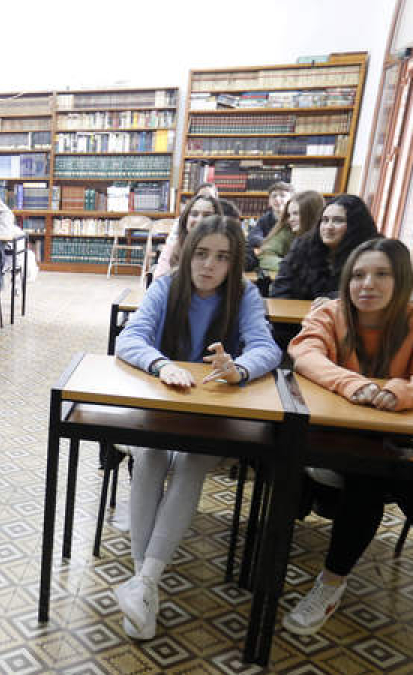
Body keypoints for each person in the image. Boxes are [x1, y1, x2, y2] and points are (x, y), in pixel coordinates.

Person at [283, 237, 413, 635]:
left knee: (375, 468)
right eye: (359, 275)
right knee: (381, 463)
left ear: (400, 280)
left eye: (382, 274)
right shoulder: (329, 314)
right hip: (335, 439)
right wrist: (352, 385)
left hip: (397, 441)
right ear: (346, 280)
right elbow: (305, 353)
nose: (368, 284)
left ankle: (330, 583)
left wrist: (401, 392)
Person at [114, 215, 282, 640]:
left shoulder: (243, 294)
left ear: (234, 263)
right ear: (189, 253)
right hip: (160, 408)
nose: (209, 265)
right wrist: (162, 363)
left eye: (222, 257)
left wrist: (238, 368)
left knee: (189, 461)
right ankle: (143, 583)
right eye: (202, 254)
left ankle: (145, 583)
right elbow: (129, 339)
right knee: (150, 455)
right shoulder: (166, 286)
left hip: (211, 415)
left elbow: (267, 348)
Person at [271, 194, 379, 305]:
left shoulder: (373, 253)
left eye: (338, 221)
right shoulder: (303, 246)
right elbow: (281, 288)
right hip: (296, 317)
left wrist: (332, 300)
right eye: (325, 220)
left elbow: (366, 291)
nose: (328, 227)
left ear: (355, 225)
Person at [152, 194, 220, 279]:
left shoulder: (224, 251)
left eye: (207, 215)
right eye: (194, 214)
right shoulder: (173, 247)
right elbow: (159, 280)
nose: (199, 220)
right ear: (186, 220)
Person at [257, 190, 323, 275]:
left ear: (311, 214)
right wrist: (292, 266)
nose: (290, 219)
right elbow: (265, 256)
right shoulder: (287, 230)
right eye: (289, 214)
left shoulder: (325, 236)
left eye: (296, 214)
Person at [248, 182, 292, 252]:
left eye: (282, 195)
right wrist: (271, 245)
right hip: (269, 251)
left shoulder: (295, 218)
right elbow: (253, 237)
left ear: (291, 200)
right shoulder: (265, 218)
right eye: (274, 196)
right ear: (269, 202)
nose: (277, 199)